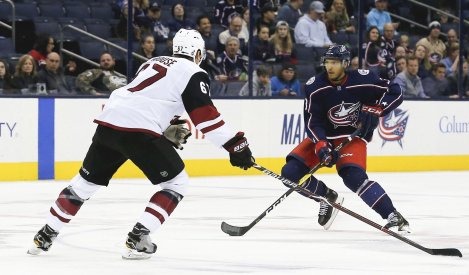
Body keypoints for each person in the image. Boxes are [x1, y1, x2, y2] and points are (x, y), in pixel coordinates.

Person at [28, 29, 255, 259]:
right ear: (197, 52)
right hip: (139, 130)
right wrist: (236, 145)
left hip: (109, 122)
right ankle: (139, 238)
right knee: (176, 184)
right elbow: (205, 115)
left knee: (84, 183)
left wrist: (166, 126)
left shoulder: (151, 62)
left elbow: (148, 98)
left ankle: (44, 236)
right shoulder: (193, 72)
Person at [280, 44, 409, 232]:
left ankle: (393, 215)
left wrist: (378, 108)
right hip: (325, 137)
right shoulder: (315, 87)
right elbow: (312, 122)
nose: (330, 67)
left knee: (354, 177)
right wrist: (322, 145)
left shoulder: (364, 80)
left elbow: (395, 91)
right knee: (289, 174)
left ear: (346, 63)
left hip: (351, 137)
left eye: (335, 62)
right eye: (327, 62)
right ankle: (326, 197)